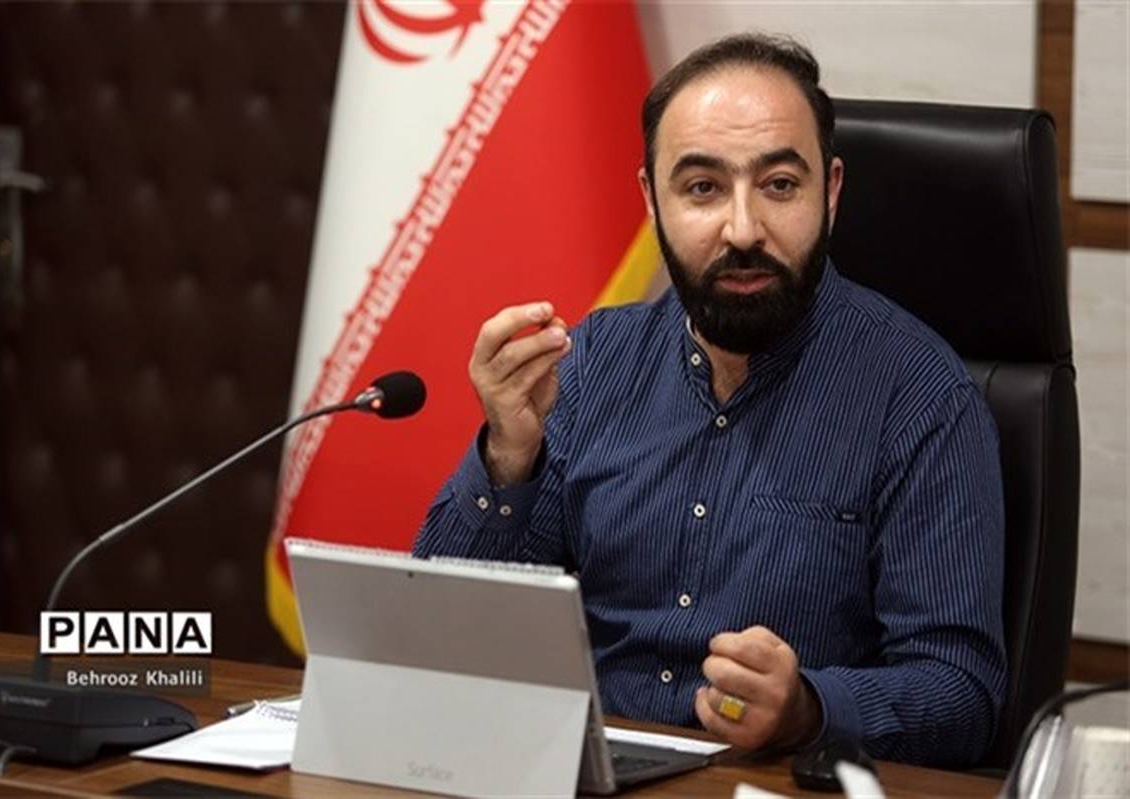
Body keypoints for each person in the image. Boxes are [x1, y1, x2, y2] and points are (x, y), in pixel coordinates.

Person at [413, 33, 1006, 768]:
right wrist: (509, 457)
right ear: (651, 200)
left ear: (831, 191)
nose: (743, 229)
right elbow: (443, 630)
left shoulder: (921, 396)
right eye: (702, 188)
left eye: (780, 185)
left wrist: (808, 708)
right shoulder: (591, 365)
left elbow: (962, 693)